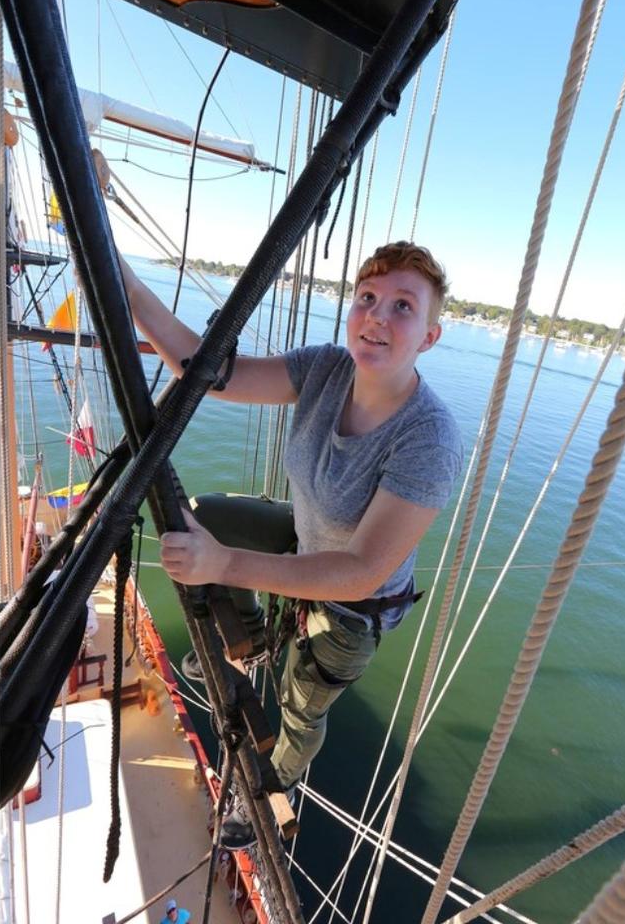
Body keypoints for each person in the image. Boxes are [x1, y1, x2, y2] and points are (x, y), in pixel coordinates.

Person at [115, 233, 463, 847]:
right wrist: (129, 285)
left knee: (299, 709)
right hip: (304, 541)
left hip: (353, 608)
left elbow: (357, 571)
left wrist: (220, 564)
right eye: (367, 297)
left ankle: (271, 793)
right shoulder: (327, 368)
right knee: (206, 515)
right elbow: (213, 374)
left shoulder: (429, 438)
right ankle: (248, 640)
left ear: (429, 337)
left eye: (403, 306)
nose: (377, 316)